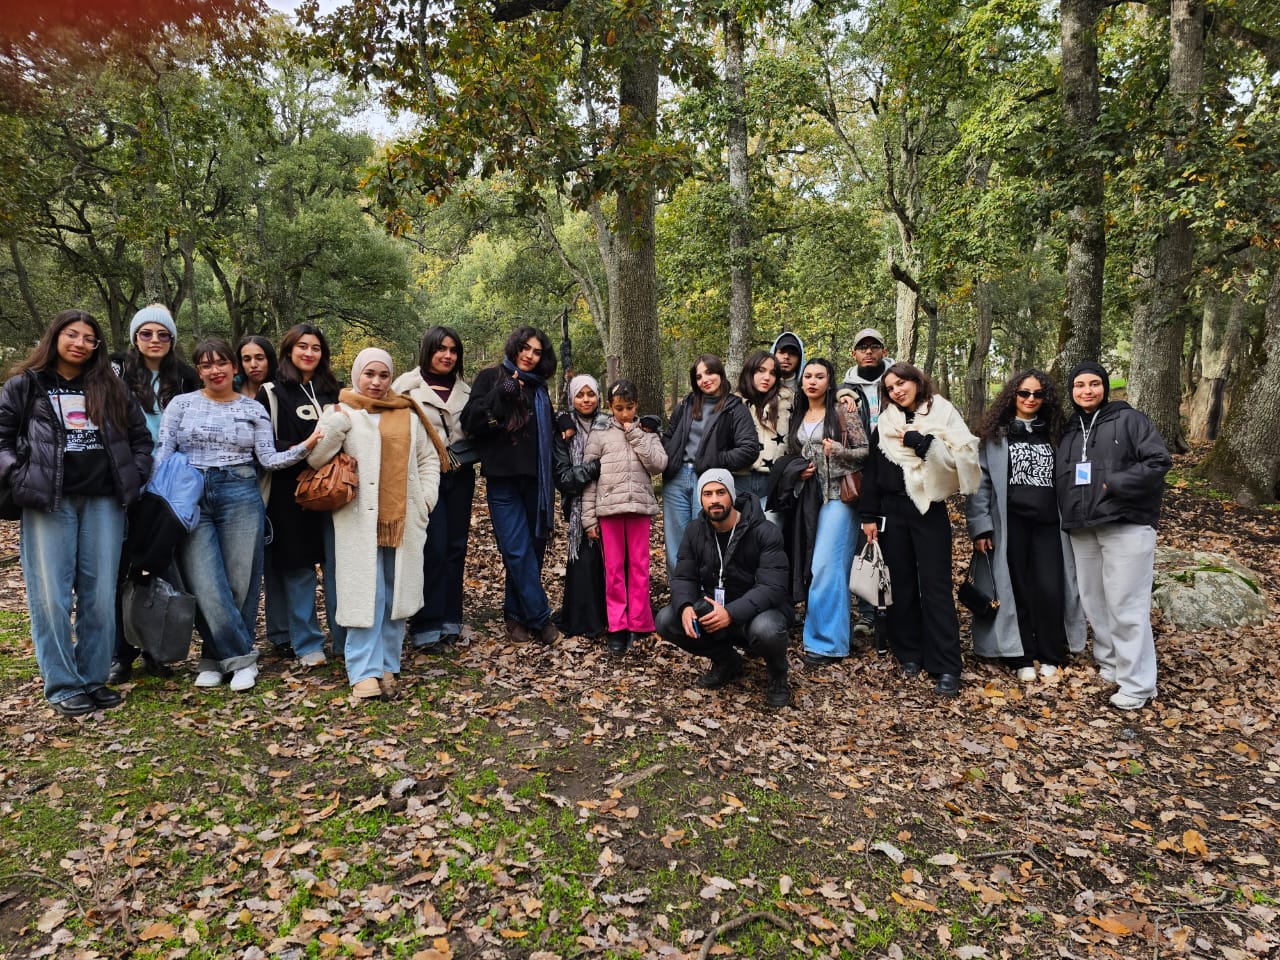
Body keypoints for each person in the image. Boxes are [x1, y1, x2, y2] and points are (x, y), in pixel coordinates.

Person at [0, 310, 153, 716]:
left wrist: (134, 476)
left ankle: (92, 677)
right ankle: (63, 684)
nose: (80, 343)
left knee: (99, 595)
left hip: (104, 501)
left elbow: (140, 439)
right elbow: (2, 439)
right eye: (73, 335)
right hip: (50, 501)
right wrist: (19, 476)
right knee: (50, 596)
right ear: (56, 337)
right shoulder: (26, 385)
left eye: (89, 338)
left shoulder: (112, 386)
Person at [156, 338, 322, 691]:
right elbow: (163, 452)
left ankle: (213, 658)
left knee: (240, 582)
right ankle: (242, 656)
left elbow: (269, 459)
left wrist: (307, 445)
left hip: (241, 493)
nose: (214, 370)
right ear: (198, 370)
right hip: (192, 495)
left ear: (234, 368)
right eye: (205, 365)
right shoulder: (180, 405)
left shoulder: (253, 409)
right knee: (205, 581)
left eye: (221, 363)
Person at [310, 349, 444, 700]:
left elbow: (428, 460)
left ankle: (388, 663)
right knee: (366, 593)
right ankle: (362, 669)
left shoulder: (408, 414)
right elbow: (316, 458)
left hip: (403, 519)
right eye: (369, 373)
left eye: (383, 375)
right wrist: (337, 425)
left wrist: (425, 501)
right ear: (356, 375)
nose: (376, 381)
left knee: (395, 592)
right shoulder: (340, 412)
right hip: (359, 520)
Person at [859, 362, 980, 697]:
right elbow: (872, 469)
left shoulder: (941, 412)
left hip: (929, 507)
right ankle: (909, 652)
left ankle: (945, 664)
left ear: (916, 381)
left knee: (936, 586)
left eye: (902, 383)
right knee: (902, 584)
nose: (897, 391)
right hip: (891, 509)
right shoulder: (886, 422)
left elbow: (965, 456)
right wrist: (868, 515)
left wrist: (924, 443)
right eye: (891, 388)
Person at [1055, 361, 1171, 710]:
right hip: (1082, 525)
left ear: (1105, 387)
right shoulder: (1070, 430)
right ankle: (1112, 664)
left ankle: (1138, 684)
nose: (1087, 390)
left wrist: (1114, 483)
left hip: (1126, 522)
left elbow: (1158, 462)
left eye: (1094, 384)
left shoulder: (1129, 420)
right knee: (1094, 600)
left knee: (1126, 603)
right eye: (1079, 385)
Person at [967, 371, 1087, 680]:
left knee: (1049, 587)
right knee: (1014, 587)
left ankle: (1050, 652)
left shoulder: (1058, 433)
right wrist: (980, 526)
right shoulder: (995, 435)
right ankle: (1020, 655)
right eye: (1024, 393)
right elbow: (979, 484)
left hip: (1049, 524)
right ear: (1013, 396)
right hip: (1009, 524)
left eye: (1037, 394)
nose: (1030, 399)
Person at [108, 304, 199, 683]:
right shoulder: (116, 373)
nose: (155, 340)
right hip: (127, 479)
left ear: (172, 339)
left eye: (163, 334)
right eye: (146, 333)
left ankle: (156, 648)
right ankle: (120, 653)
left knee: (160, 565)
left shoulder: (187, 378)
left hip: (171, 485)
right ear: (134, 338)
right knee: (121, 567)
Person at [654, 470, 793, 708]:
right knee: (667, 619)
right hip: (715, 614)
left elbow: (773, 586)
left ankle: (778, 676)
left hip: (755, 614)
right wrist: (685, 606)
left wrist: (731, 613)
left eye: (721, 492)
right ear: (701, 499)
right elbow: (683, 576)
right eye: (707, 494)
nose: (714, 500)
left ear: (732, 495)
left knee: (767, 629)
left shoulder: (764, 531)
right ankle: (727, 661)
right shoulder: (695, 530)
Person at [461, 326, 560, 645]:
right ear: (515, 347)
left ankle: (515, 615)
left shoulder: (540, 390)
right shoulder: (492, 377)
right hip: (503, 480)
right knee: (516, 550)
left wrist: (565, 423)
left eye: (537, 351)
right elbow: (471, 421)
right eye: (525, 348)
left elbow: (548, 430)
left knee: (533, 549)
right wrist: (500, 393)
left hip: (537, 482)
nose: (530, 356)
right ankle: (541, 617)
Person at [257, 324, 343, 666]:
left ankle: (344, 637)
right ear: (289, 350)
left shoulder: (332, 391)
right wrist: (304, 448)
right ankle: (307, 643)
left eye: (316, 348)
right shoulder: (272, 392)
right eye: (302, 347)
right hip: (288, 494)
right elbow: (264, 445)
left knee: (337, 566)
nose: (309, 353)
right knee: (299, 569)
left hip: (334, 491)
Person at [393, 325, 475, 650]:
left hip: (460, 475)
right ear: (427, 351)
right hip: (423, 477)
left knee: (455, 548)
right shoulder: (406, 388)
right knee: (432, 548)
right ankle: (426, 625)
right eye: (441, 349)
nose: (447, 356)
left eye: (453, 350)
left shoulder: (467, 392)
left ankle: (450, 619)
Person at [786, 358, 868, 666]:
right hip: (807, 499)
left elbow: (864, 452)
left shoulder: (843, 412)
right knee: (811, 565)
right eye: (808, 376)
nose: (812, 381)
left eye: (819, 376)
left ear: (829, 381)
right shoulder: (798, 414)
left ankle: (828, 644)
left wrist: (838, 452)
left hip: (838, 498)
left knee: (826, 566)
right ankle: (819, 634)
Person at [582, 379, 668, 654]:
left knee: (640, 568)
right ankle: (617, 626)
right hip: (609, 511)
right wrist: (589, 518)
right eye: (619, 408)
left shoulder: (646, 430)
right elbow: (589, 477)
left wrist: (636, 434)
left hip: (639, 509)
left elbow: (658, 464)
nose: (624, 414)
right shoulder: (600, 434)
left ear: (637, 405)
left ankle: (640, 624)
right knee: (614, 569)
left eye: (629, 408)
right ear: (610, 406)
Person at [660, 354, 759, 575]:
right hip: (676, 479)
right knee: (675, 539)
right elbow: (670, 435)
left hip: (708, 482)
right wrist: (669, 456)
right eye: (699, 376)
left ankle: (705, 595)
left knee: (705, 538)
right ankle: (680, 597)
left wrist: (715, 461)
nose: (705, 379)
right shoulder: (686, 404)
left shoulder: (735, 407)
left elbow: (749, 449)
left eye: (710, 372)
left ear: (720, 374)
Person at [551, 374, 607, 641]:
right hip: (578, 509)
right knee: (585, 562)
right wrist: (595, 467)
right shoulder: (564, 430)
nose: (586, 400)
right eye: (580, 395)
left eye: (591, 394)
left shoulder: (609, 424)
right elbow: (563, 478)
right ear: (572, 398)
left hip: (610, 503)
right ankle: (585, 619)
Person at [734, 350, 791, 517]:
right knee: (740, 538)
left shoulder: (788, 401)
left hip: (773, 483)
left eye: (773, 373)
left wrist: (843, 395)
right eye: (761, 370)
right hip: (739, 481)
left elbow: (819, 403)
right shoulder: (733, 404)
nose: (767, 377)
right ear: (749, 371)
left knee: (768, 536)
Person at [839, 327, 894, 433]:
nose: (869, 351)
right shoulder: (844, 390)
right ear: (854, 354)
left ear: (884, 352)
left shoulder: (899, 383)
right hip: (860, 448)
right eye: (862, 347)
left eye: (875, 346)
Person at [237, 336, 277, 400]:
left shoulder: (283, 391)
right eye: (247, 359)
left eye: (259, 358)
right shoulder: (229, 389)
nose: (253, 365)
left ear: (270, 360)